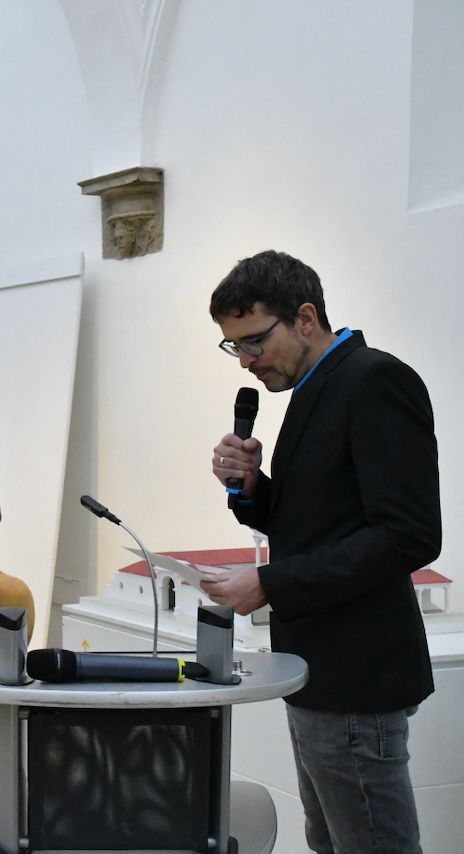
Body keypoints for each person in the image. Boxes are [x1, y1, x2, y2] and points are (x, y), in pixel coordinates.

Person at [202, 250, 439, 853]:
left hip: (356, 673)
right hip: (317, 666)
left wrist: (270, 584)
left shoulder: (373, 381)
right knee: (330, 842)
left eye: (254, 341)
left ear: (305, 318)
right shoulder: (316, 389)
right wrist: (253, 490)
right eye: (234, 347)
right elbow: (321, 521)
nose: (246, 360)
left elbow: (408, 534)